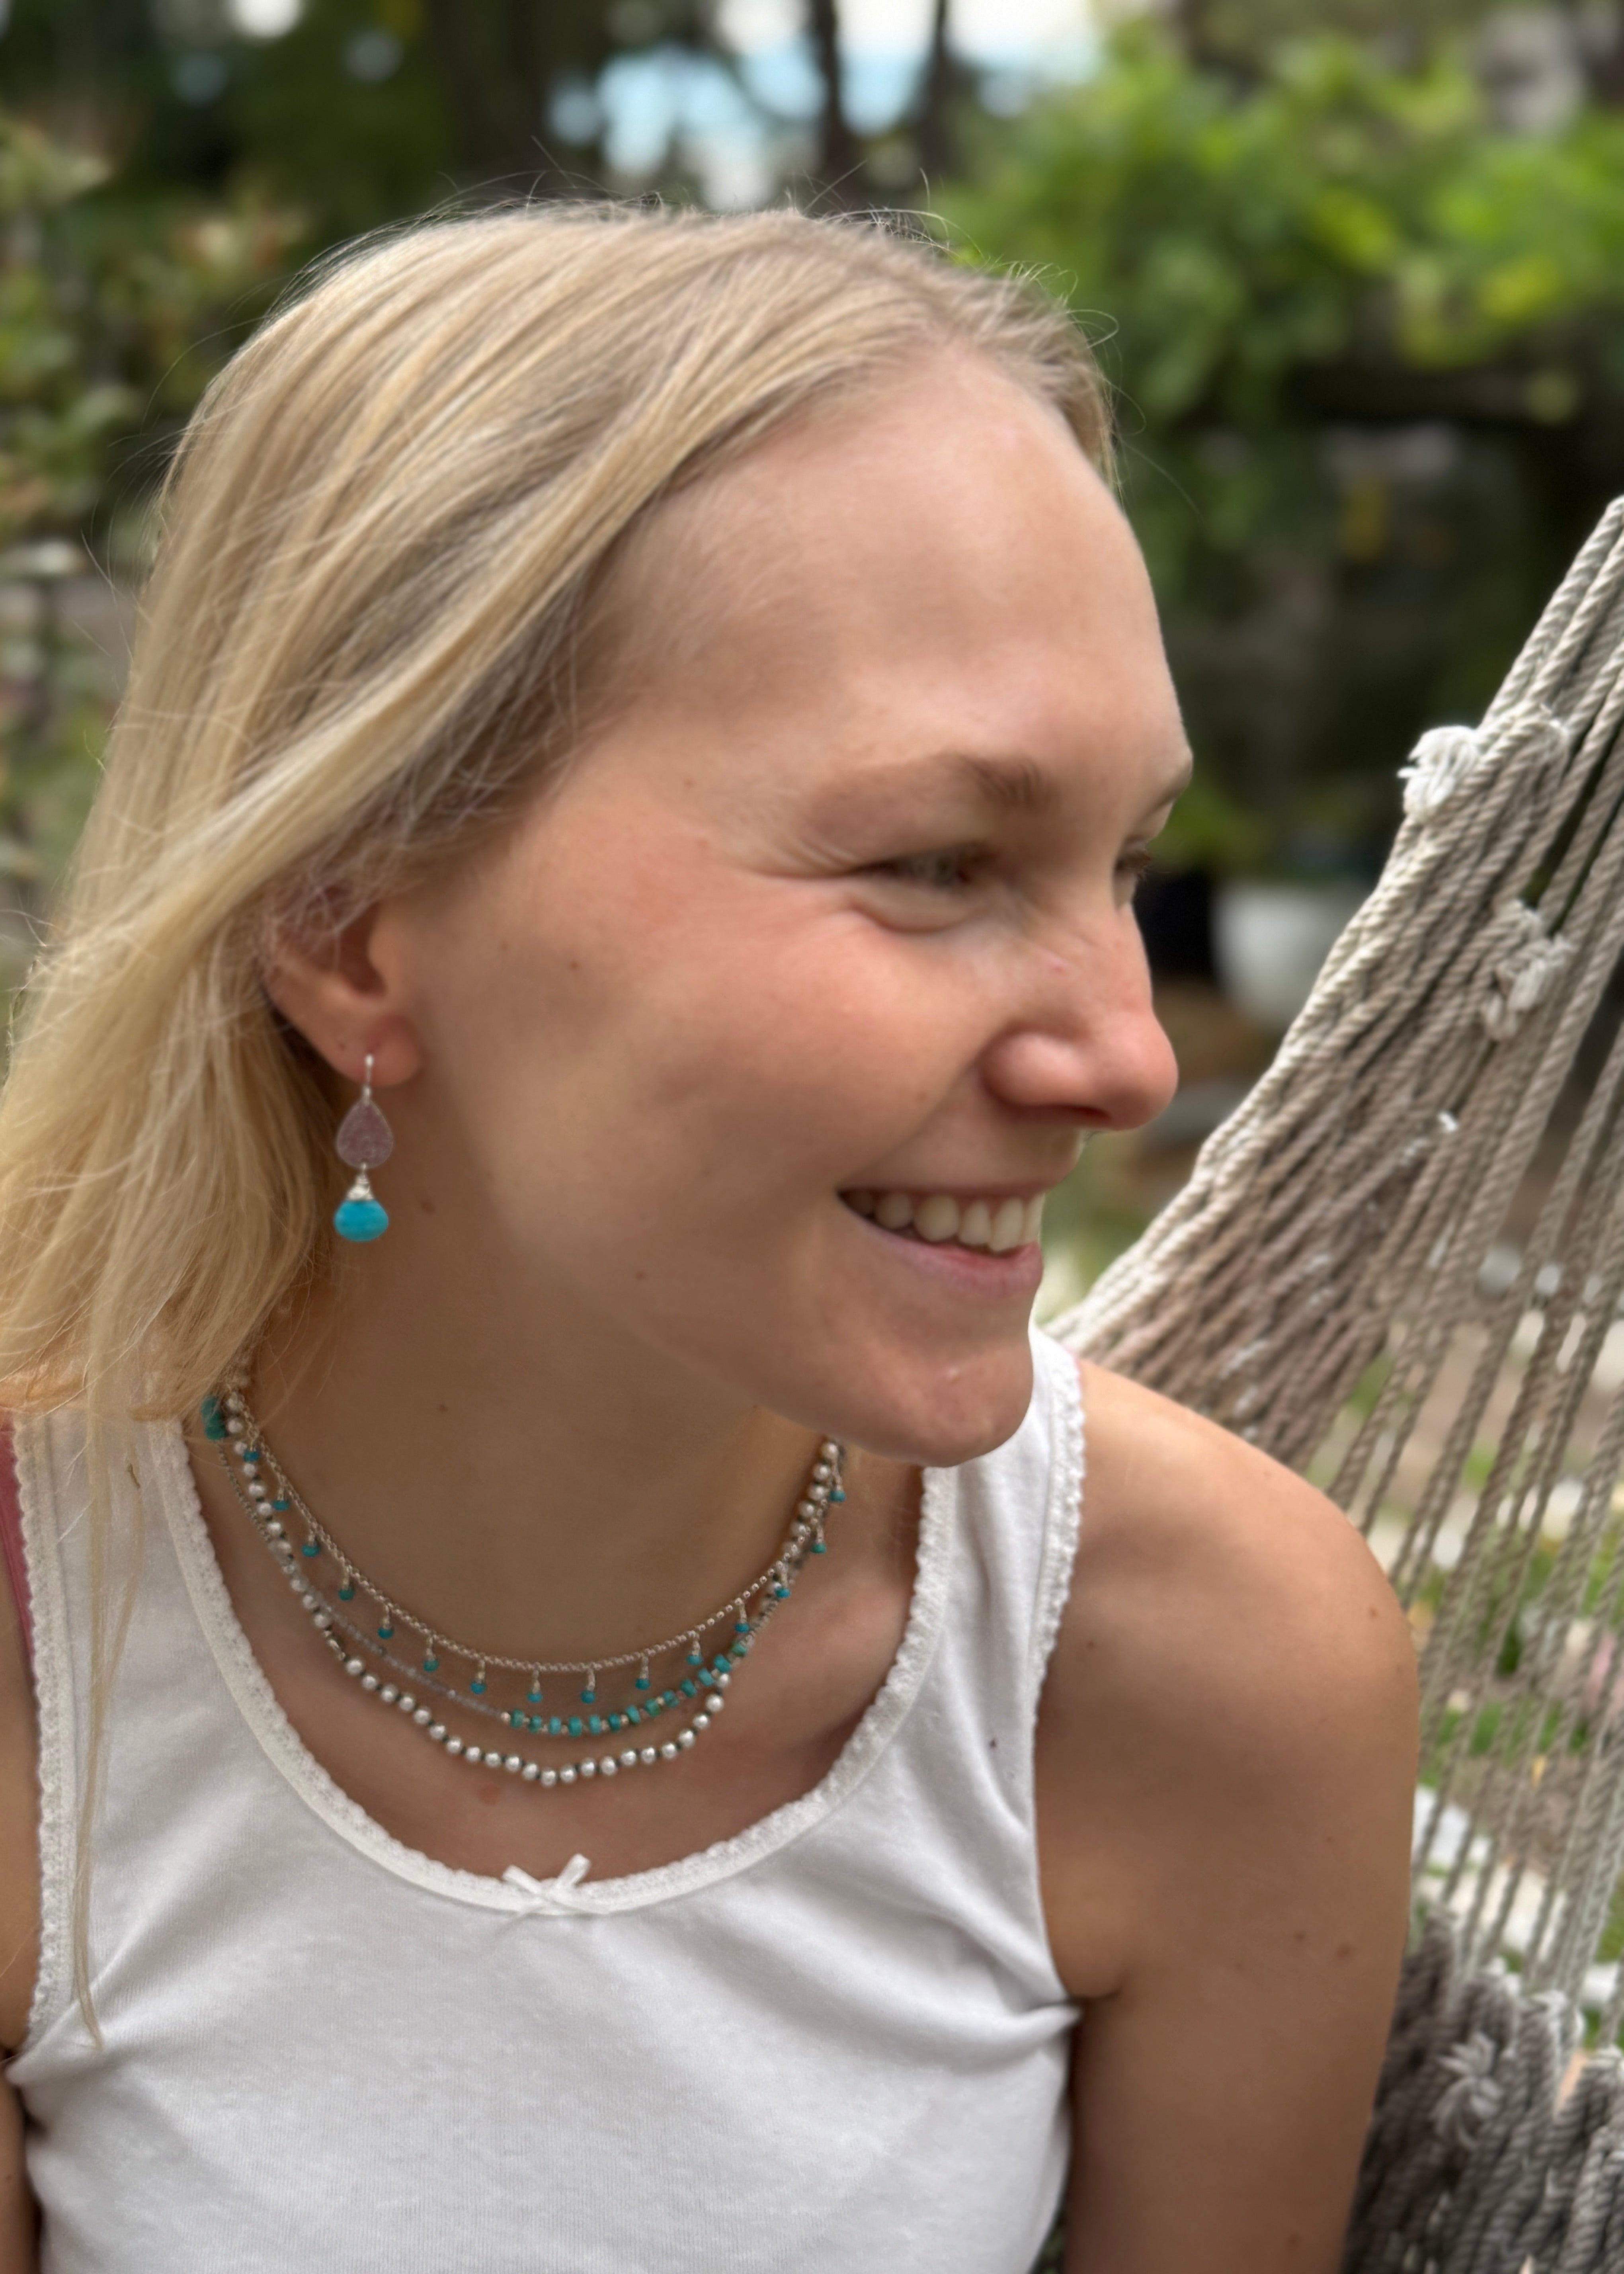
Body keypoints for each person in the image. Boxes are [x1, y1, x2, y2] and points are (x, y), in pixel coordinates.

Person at [0, 205, 1417, 2273]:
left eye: (1125, 862)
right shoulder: (54, 1651)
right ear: (348, 926)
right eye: (937, 863)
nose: (1127, 1056)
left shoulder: (1192, 1670)